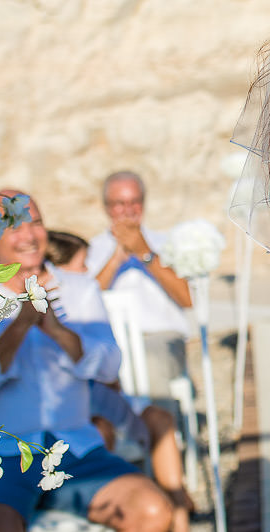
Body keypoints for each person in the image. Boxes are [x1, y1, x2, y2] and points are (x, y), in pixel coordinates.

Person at [0, 190, 173, 532]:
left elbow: (111, 365)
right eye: (14, 225)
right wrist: (18, 326)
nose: (29, 235)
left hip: (76, 451)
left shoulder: (79, 288)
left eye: (36, 223)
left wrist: (62, 334)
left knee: (152, 511)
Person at [47, 228, 196, 532]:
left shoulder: (82, 302)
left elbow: (108, 371)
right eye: (82, 264)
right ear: (59, 269)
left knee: (160, 418)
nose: (88, 270)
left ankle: (179, 514)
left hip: (102, 394)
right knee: (101, 428)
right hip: (73, 410)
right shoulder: (54, 310)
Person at [84, 171, 193, 400]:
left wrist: (145, 253)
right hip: (112, 341)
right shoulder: (92, 250)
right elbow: (85, 300)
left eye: (135, 202)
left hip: (161, 337)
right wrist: (115, 260)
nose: (128, 210)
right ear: (107, 207)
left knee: (149, 361)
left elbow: (187, 298)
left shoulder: (165, 243)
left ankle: (160, 433)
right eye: (120, 204)